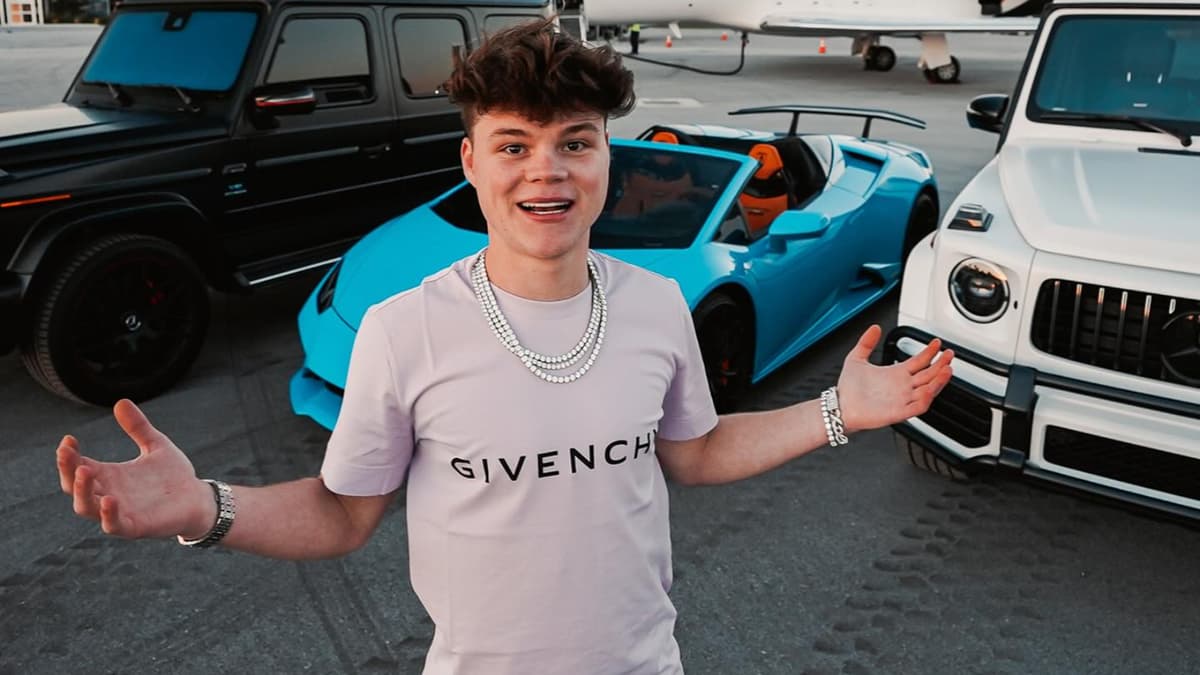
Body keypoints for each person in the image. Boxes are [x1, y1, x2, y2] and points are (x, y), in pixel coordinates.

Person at [55, 18, 954, 675]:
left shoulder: (654, 305)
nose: (547, 171)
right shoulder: (404, 329)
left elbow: (697, 450)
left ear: (612, 161)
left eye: (576, 143)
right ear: (471, 161)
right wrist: (201, 507)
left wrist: (841, 411)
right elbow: (342, 511)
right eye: (514, 144)